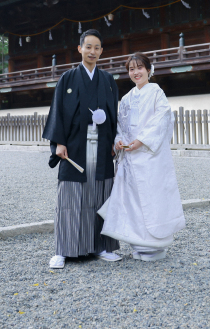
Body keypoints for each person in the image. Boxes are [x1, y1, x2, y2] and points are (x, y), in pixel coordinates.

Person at [42, 29, 122, 269]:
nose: (93, 52)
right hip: (74, 145)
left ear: (101, 51)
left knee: (101, 194)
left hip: (102, 144)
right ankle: (63, 250)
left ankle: (103, 247)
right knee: (70, 196)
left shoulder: (107, 80)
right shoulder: (67, 78)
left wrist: (114, 141)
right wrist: (58, 142)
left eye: (97, 47)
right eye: (88, 47)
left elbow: (114, 115)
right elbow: (57, 110)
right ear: (80, 49)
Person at [99, 52, 185, 261]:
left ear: (148, 70)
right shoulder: (127, 98)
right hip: (129, 156)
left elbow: (161, 120)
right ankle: (138, 244)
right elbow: (120, 125)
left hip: (149, 157)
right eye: (131, 69)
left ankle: (154, 246)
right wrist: (118, 140)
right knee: (132, 201)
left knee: (152, 199)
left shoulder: (156, 93)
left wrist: (142, 140)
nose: (136, 72)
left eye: (139, 68)